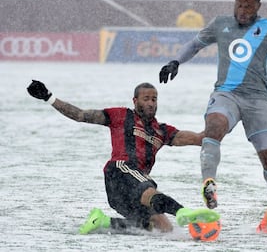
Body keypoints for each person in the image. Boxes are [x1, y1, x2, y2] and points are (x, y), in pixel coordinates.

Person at [159, 0, 267, 234]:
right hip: (226, 94)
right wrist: (175, 61)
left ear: (258, 6)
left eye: (248, 6)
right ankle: (209, 184)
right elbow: (194, 44)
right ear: (234, 2)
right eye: (239, 4)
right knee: (214, 126)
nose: (242, 10)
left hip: (258, 100)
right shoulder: (220, 24)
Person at [27, 80, 220, 234]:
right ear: (135, 101)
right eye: (146, 99)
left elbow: (200, 139)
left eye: (154, 99)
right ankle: (182, 211)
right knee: (148, 189)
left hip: (124, 194)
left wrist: (223, 119)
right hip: (120, 171)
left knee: (162, 229)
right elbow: (80, 115)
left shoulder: (162, 131)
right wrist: (49, 98)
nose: (151, 103)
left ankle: (102, 221)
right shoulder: (120, 115)